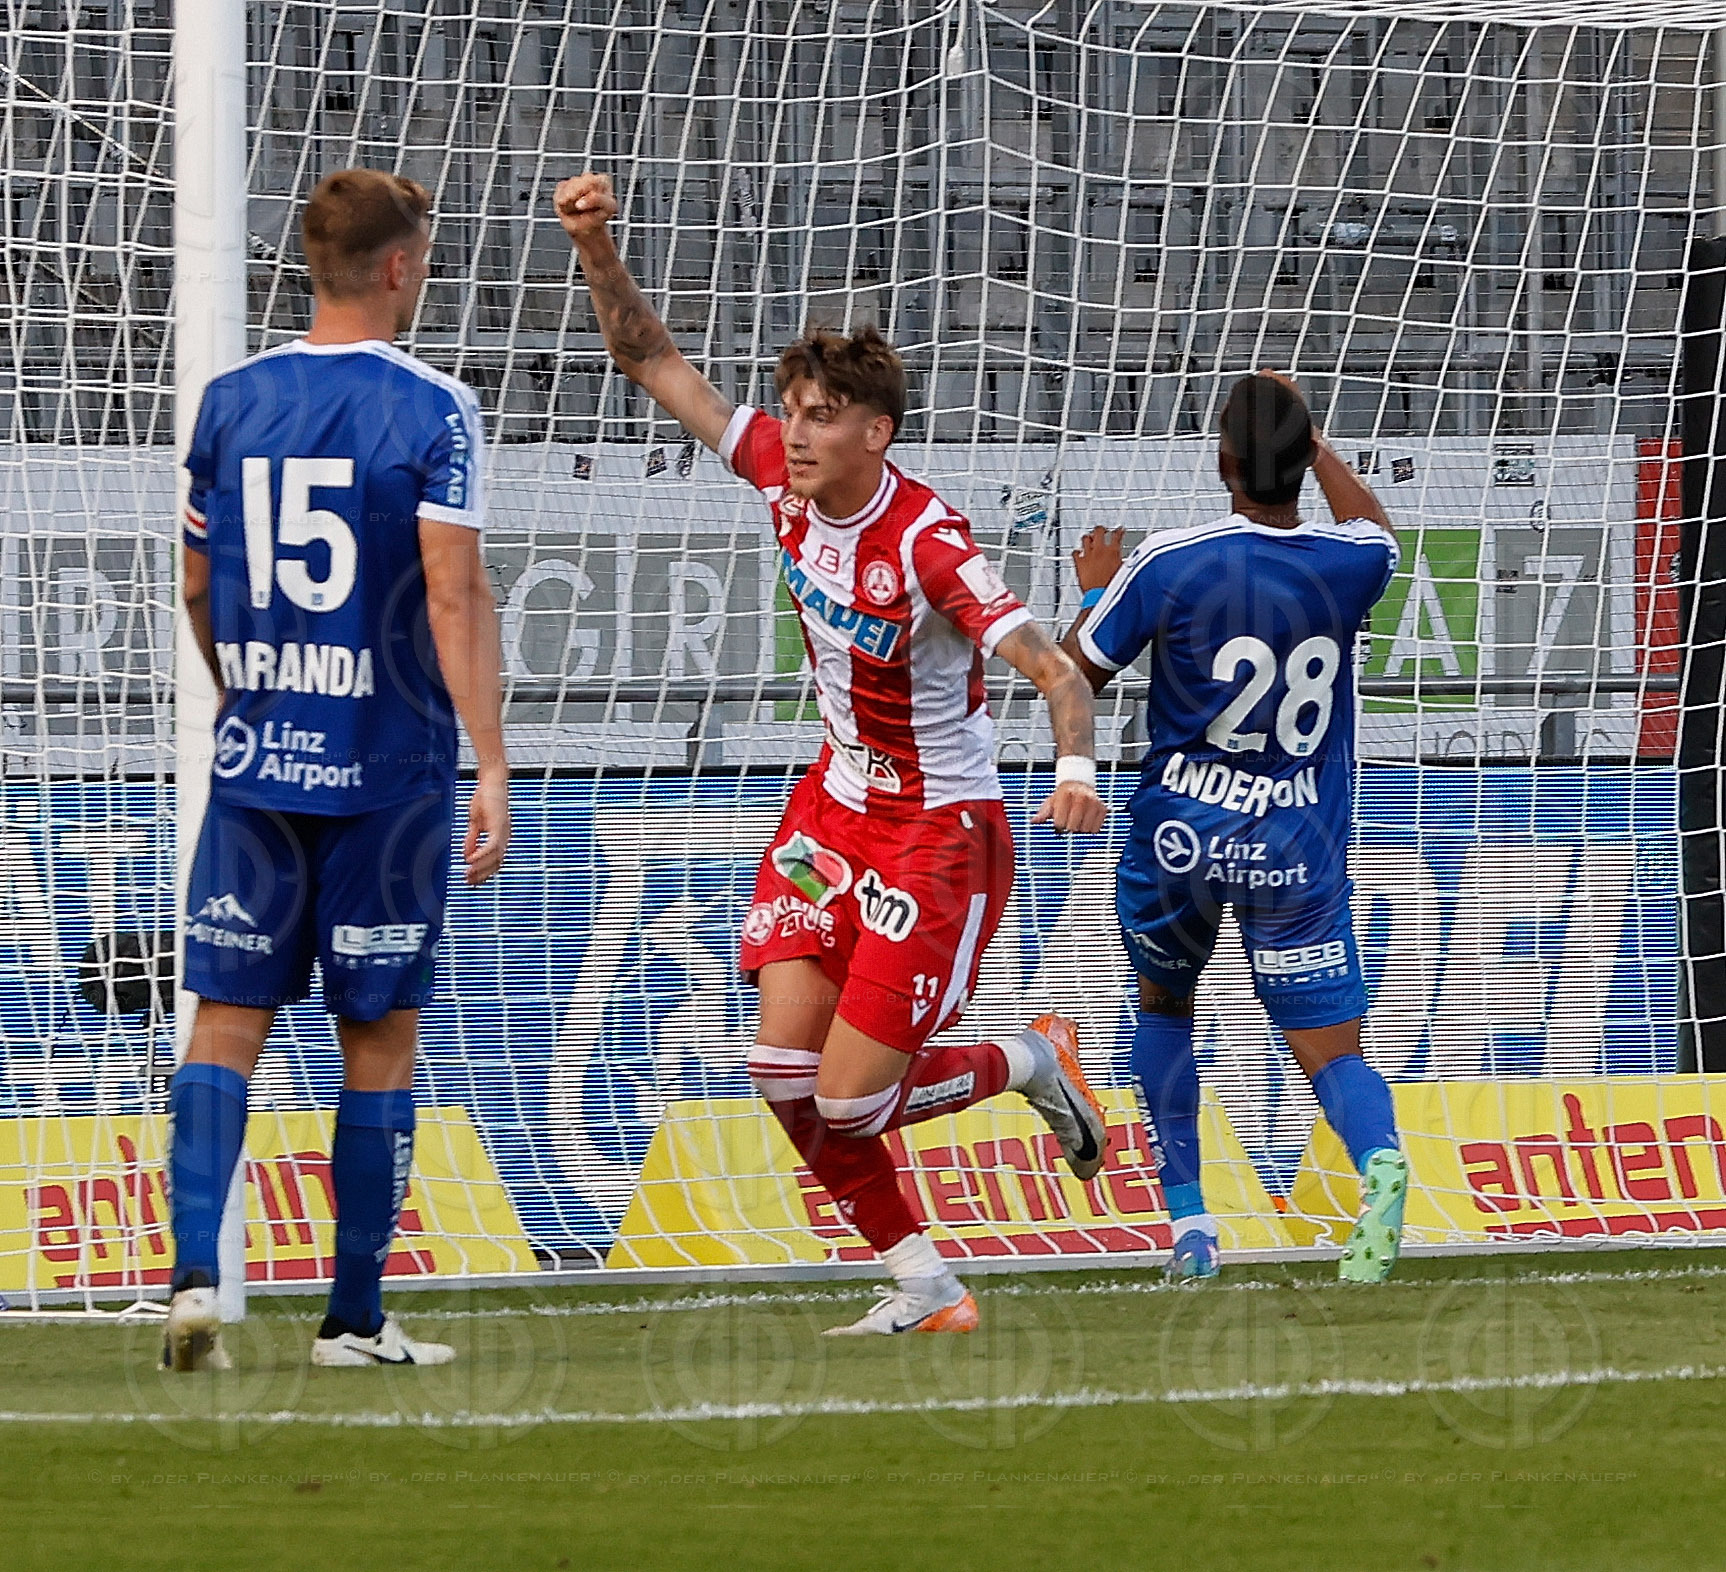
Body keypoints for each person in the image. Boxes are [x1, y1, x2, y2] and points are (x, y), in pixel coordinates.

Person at [555, 171, 1109, 1334]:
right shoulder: (776, 476)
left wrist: (1072, 773)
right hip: (831, 811)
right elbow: (649, 357)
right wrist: (598, 246)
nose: (793, 432)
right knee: (778, 1076)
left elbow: (1056, 671)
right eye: (789, 411)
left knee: (852, 1106)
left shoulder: (929, 542)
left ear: (876, 432)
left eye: (818, 416)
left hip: (935, 839)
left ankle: (1027, 1058)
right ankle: (927, 1286)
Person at [165, 168, 509, 1370]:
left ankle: (195, 1272)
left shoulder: (228, 398)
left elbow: (200, 585)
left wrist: (243, 693)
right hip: (389, 769)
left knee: (223, 1023)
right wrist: (495, 766)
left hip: (257, 762)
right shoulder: (432, 406)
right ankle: (354, 1318)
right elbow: (455, 592)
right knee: (379, 1040)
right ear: (401, 266)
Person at [1060, 371, 1408, 1283]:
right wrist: (1313, 438)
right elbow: (1375, 527)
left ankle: (1191, 1230)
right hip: (1296, 844)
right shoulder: (1350, 567)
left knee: (1164, 1008)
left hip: (1181, 840)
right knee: (1332, 1052)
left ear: (1221, 462)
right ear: (1303, 462)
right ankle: (1379, 1162)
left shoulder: (1171, 561)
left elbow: (1069, 674)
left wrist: (1097, 592)